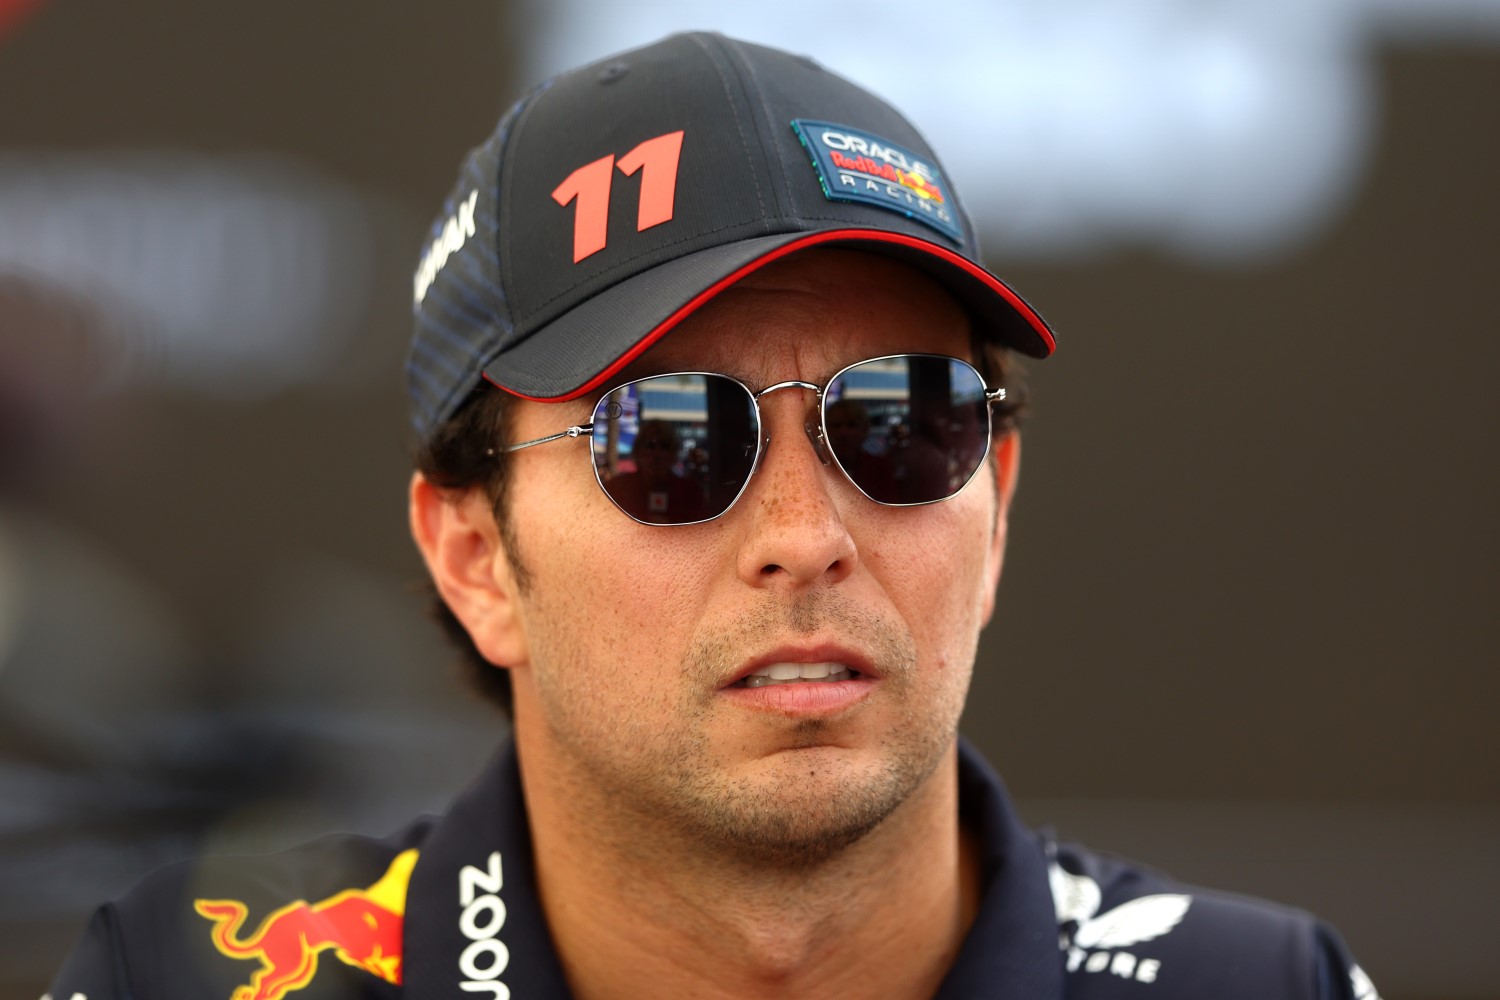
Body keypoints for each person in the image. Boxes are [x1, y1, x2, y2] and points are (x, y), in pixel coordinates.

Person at [46, 32, 1380, 1000]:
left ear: (997, 504)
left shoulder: (1265, 988)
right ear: (474, 557)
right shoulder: (186, 985)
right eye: (672, 441)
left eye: (902, 422)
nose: (807, 531)